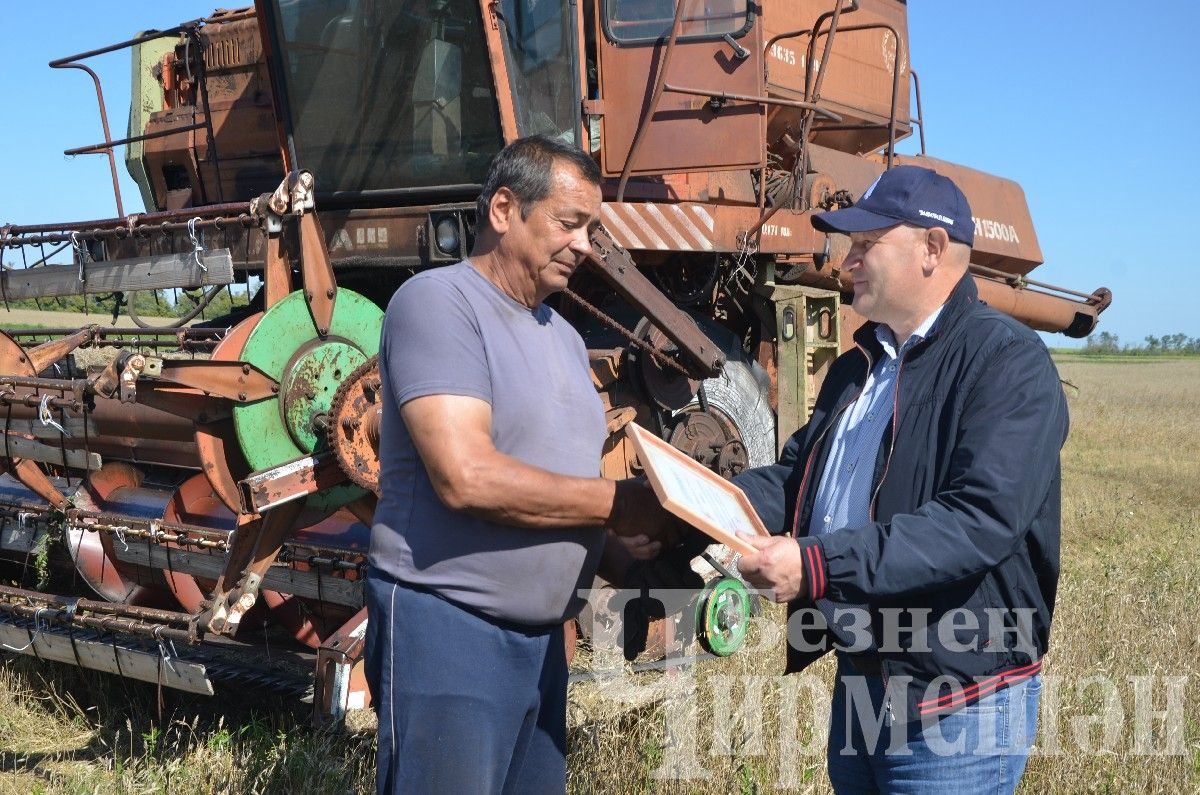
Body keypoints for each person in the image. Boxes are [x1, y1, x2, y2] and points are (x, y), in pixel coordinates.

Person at [733, 165, 1068, 793]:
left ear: (932, 251)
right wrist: (710, 498)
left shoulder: (1006, 363)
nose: (845, 263)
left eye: (865, 246)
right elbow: (800, 477)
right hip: (866, 681)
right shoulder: (859, 364)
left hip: (958, 701)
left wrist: (816, 567)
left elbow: (977, 522)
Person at [365, 135, 664, 794]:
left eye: (592, 228)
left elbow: (553, 476)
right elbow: (466, 476)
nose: (585, 245)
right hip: (450, 628)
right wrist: (616, 504)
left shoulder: (561, 335)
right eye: (569, 223)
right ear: (504, 209)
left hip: (540, 644)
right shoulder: (439, 303)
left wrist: (628, 557)